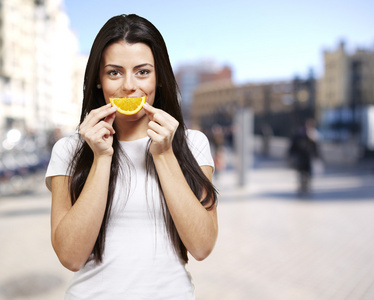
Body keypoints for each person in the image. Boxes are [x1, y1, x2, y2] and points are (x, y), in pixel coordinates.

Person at [45, 14, 218, 299]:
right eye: (114, 72)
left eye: (142, 72)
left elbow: (202, 246)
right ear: (98, 81)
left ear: (159, 78)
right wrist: (101, 157)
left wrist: (163, 155)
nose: (129, 86)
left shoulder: (192, 144)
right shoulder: (69, 149)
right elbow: (70, 256)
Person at [288, 119, 320, 196]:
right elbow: (293, 147)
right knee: (301, 173)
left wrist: (316, 155)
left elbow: (315, 147)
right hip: (300, 158)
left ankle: (306, 185)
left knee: (307, 172)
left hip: (307, 158)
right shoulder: (298, 135)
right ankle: (302, 185)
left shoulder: (312, 136)